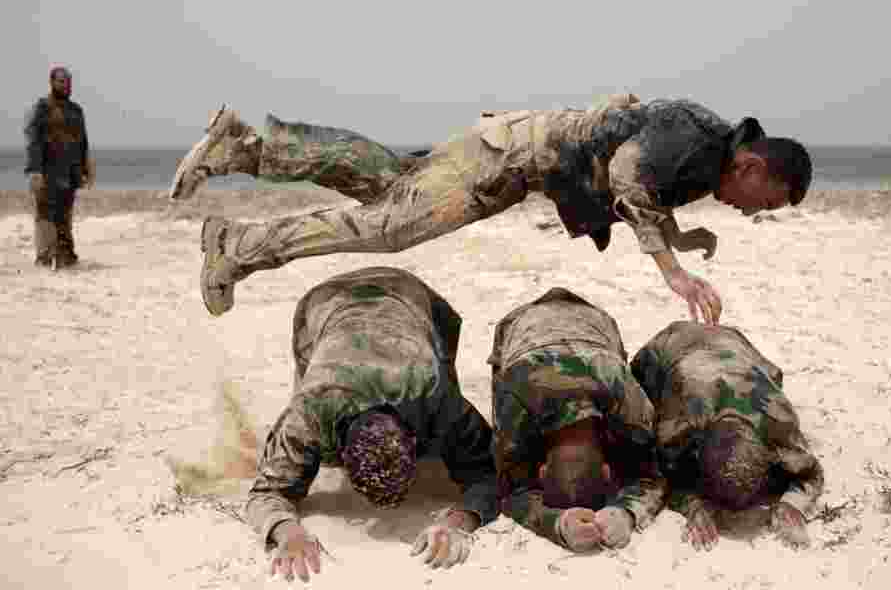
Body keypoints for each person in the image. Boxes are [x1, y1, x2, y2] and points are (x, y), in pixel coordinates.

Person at [168, 94, 812, 321]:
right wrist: (673, 270)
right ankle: (238, 248)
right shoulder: (699, 143)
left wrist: (684, 235)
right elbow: (625, 176)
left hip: (507, 150)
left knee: (385, 183)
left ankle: (245, 148)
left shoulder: (706, 151)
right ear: (755, 167)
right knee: (389, 226)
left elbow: (640, 182)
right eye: (767, 203)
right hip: (504, 162)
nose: (757, 213)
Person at [246, 267, 498, 582]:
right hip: (324, 302)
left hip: (410, 294)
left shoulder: (434, 393)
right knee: (305, 421)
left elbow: (490, 475)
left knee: (449, 418)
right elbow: (266, 492)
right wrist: (288, 533)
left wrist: (458, 523)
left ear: (414, 437)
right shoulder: (310, 412)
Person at [489, 287, 666, 552]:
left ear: (542, 471)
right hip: (522, 325)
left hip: (594, 323)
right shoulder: (513, 394)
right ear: (607, 470)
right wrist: (557, 523)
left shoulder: (625, 397)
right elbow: (508, 487)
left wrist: (625, 513)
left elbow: (512, 490)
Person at [628, 321, 824, 552]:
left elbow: (810, 471)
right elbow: (658, 473)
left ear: (770, 454)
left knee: (771, 375)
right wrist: (693, 505)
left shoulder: (778, 419)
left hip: (732, 341)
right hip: (672, 341)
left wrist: (792, 506)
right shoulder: (681, 422)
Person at [24, 66, 95, 269]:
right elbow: (34, 140)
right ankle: (45, 256)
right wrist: (35, 170)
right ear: (52, 82)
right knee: (45, 214)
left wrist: (86, 169)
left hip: (70, 172)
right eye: (62, 81)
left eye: (69, 81)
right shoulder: (42, 108)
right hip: (47, 171)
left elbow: (83, 142)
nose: (66, 85)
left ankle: (65, 255)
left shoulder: (76, 110)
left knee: (65, 214)